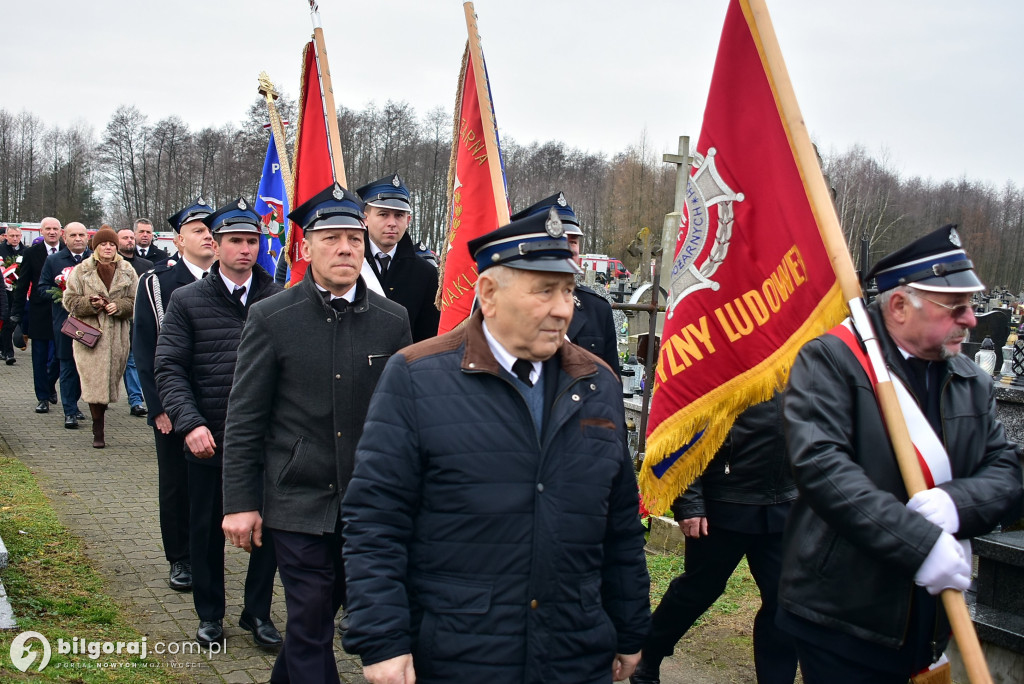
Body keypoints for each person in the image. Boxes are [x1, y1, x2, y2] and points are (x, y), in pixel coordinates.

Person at [341, 209, 651, 684]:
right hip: (460, 652)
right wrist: (383, 641)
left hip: (574, 650)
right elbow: (375, 520)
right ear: (488, 293)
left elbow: (621, 525)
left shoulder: (597, 383)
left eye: (568, 290)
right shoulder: (417, 377)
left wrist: (630, 629)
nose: (563, 309)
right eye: (544, 291)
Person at [778, 224, 1023, 683]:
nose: (971, 320)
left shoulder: (971, 380)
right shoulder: (831, 361)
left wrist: (955, 504)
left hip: (930, 621)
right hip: (845, 618)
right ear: (899, 306)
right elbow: (823, 468)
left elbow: (1006, 471)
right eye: (956, 307)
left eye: (970, 306)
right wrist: (919, 543)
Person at [221, 182, 411, 683]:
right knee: (309, 620)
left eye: (354, 238)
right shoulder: (271, 317)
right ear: (305, 247)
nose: (345, 248)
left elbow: (404, 418)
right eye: (331, 238)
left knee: (321, 616)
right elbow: (244, 418)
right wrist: (240, 503)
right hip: (297, 501)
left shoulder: (392, 320)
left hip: (367, 503)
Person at [156, 197, 283, 649]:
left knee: (269, 532)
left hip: (268, 440)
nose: (245, 249)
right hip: (209, 437)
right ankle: (210, 614)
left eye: (252, 241)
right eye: (235, 241)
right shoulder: (187, 300)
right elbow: (169, 367)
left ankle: (257, 612)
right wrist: (189, 423)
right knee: (206, 531)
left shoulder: (280, 298)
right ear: (217, 243)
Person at [631, 394, 797, 684]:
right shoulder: (716, 369)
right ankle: (649, 653)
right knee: (699, 590)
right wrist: (689, 503)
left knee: (784, 602)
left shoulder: (795, 366)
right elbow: (682, 428)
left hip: (782, 503)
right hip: (724, 502)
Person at [135, 198, 216, 592]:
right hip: (175, 401)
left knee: (215, 483)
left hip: (219, 398)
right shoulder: (158, 283)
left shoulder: (230, 280)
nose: (208, 237)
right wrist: (159, 407)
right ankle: (180, 556)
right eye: (198, 230)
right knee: (176, 483)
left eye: (212, 230)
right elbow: (145, 347)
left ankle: (208, 552)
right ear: (179, 240)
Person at [511, 192, 620, 375]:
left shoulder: (597, 309)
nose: (571, 249)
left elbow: (611, 383)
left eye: (574, 241)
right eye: (562, 240)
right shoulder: (508, 305)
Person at [61, 227, 138, 448]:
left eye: (112, 244)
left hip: (117, 337)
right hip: (89, 337)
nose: (108, 248)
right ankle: (98, 429)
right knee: (93, 384)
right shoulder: (81, 270)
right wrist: (90, 303)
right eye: (103, 244)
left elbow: (136, 300)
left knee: (110, 383)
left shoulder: (127, 270)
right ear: (95, 247)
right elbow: (69, 300)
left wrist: (120, 306)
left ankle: (100, 417)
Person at [357, 173, 440, 342]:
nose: (392, 223)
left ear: (408, 220)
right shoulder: (347, 264)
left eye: (399, 215)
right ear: (365, 218)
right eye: (383, 214)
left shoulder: (425, 273)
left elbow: (428, 338)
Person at [39, 222, 91, 429]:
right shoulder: (54, 260)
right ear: (64, 238)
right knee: (68, 366)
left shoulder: (95, 260)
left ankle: (75, 403)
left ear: (87, 237)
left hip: (90, 322)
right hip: (65, 322)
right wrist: (61, 295)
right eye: (73, 235)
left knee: (83, 367)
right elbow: (42, 287)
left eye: (81, 235)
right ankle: (69, 411)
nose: (78, 239)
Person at [11, 217, 63, 413]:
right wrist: (16, 313)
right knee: (39, 357)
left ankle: (49, 384)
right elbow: (22, 283)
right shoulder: (31, 253)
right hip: (39, 311)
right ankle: (42, 397)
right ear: (41, 231)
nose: (52, 232)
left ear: (61, 232)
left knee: (60, 356)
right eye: (48, 229)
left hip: (63, 311)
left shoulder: (67, 252)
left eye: (55, 229)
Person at [116, 227, 151, 417]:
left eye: (131, 237)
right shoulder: (113, 264)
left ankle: (136, 400)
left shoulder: (146, 265)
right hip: (118, 320)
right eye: (125, 238)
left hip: (139, 320)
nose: (129, 240)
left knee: (132, 361)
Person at [1, 225, 27, 364]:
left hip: (21, 292)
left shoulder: (26, 251)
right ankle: (8, 353)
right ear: (6, 236)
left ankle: (10, 346)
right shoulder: (1, 250)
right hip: (5, 291)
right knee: (6, 320)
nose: (15, 238)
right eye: (12, 236)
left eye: (17, 236)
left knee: (15, 321)